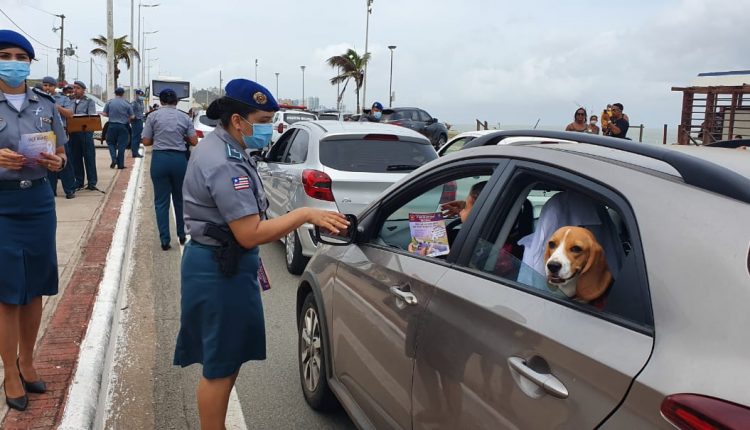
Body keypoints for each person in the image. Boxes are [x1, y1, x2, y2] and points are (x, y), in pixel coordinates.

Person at [174, 78, 349, 429]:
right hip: (218, 271)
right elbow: (249, 233)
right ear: (238, 121)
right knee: (219, 368)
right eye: (264, 121)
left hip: (225, 266)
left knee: (228, 359)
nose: (269, 129)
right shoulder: (224, 162)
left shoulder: (229, 148)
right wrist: (304, 214)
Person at [0, 30, 68, 412]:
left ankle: (27, 360)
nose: (13, 63)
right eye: (5, 56)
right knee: (8, 291)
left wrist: (58, 161)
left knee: (36, 287)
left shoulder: (45, 104)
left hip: (39, 201)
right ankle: (9, 371)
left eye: (20, 57)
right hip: (2, 204)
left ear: (29, 63)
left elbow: (62, 151)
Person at [141, 88, 196, 250]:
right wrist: (181, 137)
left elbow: (146, 141)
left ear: (161, 101)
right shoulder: (184, 117)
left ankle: (165, 240)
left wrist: (159, 137)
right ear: (176, 101)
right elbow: (194, 141)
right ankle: (182, 234)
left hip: (160, 159)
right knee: (180, 199)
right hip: (179, 160)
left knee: (161, 201)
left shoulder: (152, 116)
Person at [41, 76, 76, 199]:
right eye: (45, 85)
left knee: (65, 163)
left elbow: (70, 114)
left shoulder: (63, 98)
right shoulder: (39, 99)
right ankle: (51, 190)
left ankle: (69, 189)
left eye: (50, 86)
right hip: (46, 135)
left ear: (55, 87)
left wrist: (56, 106)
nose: (47, 88)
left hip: (60, 134)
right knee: (49, 162)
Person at [69, 80, 99, 190]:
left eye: (78, 88)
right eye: (74, 88)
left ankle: (92, 182)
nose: (75, 90)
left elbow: (91, 117)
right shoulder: (70, 101)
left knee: (89, 157)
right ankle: (79, 181)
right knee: (76, 158)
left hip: (85, 133)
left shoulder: (89, 101)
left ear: (83, 90)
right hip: (73, 133)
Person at [102, 87, 134, 169]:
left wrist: (112, 115)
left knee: (110, 143)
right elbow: (132, 116)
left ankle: (114, 159)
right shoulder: (127, 103)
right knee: (122, 145)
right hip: (123, 126)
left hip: (111, 126)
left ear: (115, 93)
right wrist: (126, 118)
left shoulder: (109, 102)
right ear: (123, 94)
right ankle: (120, 165)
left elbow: (104, 114)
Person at [131, 89, 146, 158]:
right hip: (136, 121)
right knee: (135, 137)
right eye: (139, 95)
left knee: (138, 137)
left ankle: (136, 152)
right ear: (136, 95)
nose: (141, 96)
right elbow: (130, 112)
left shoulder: (141, 102)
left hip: (140, 120)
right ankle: (135, 153)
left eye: (142, 95)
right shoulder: (134, 103)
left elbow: (141, 111)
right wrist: (134, 117)